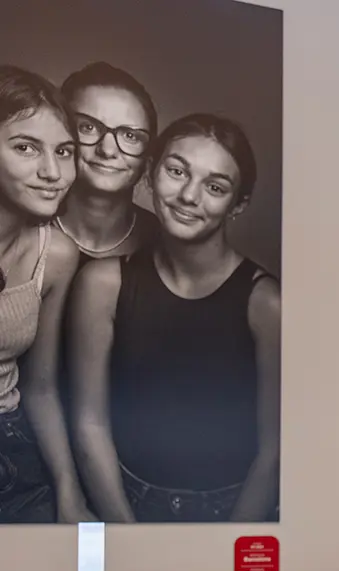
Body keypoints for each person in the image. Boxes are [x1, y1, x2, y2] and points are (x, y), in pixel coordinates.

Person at [68, 113, 281, 523]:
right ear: (149, 173)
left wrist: (229, 549)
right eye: (177, 171)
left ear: (238, 205)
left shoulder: (266, 303)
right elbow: (88, 423)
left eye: (215, 187)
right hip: (124, 500)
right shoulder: (102, 284)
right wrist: (128, 538)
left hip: (231, 507)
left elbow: (273, 451)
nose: (188, 195)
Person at [0, 65, 94, 523]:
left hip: (12, 447)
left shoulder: (55, 254)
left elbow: (40, 387)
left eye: (65, 152)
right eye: (25, 147)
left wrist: (68, 490)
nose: (52, 172)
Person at [57, 62, 159, 261]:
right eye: (87, 127)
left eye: (130, 136)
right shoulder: (20, 227)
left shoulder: (163, 243)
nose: (107, 150)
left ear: (148, 155)